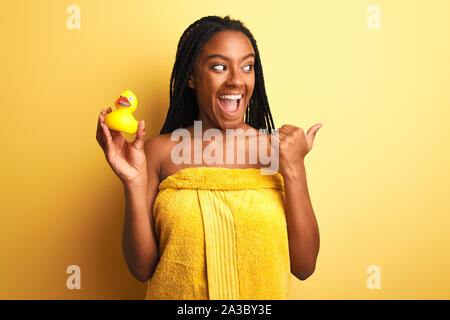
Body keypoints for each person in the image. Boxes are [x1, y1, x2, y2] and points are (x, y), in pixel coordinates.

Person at [96, 15, 322, 300]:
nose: (236, 80)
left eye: (247, 67)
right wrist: (132, 181)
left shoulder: (278, 150)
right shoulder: (158, 153)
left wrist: (295, 168)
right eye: (219, 67)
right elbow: (142, 268)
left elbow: (304, 266)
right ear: (191, 76)